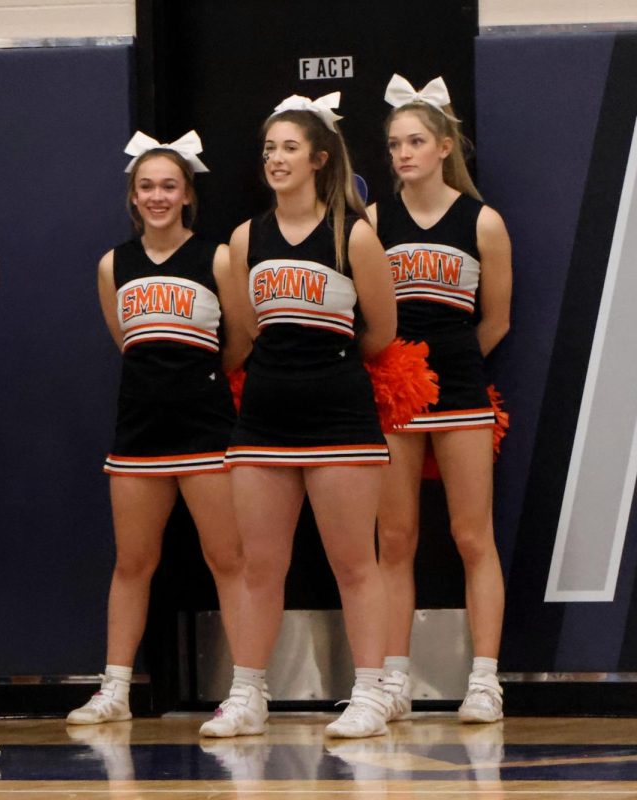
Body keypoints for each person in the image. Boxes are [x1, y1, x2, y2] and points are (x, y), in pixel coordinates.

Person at [220, 93, 397, 738]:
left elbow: (380, 332)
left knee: (355, 562)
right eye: (269, 148)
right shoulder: (246, 238)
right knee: (259, 564)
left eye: (290, 147)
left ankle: (372, 693)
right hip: (263, 417)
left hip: (340, 417)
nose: (276, 158)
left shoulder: (355, 236)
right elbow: (246, 330)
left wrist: (328, 368)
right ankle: (246, 694)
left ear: (321, 159)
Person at [65, 132, 245, 730]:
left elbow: (241, 340)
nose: (158, 196)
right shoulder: (112, 265)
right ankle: (115, 689)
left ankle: (247, 691)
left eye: (169, 185)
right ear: (132, 196)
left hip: (206, 427)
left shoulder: (218, 258)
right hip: (139, 429)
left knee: (229, 560)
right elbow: (127, 342)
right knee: (132, 562)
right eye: (147, 186)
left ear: (187, 193)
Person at [373, 74, 512, 724]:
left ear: (444, 145)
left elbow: (497, 322)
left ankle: (485, 679)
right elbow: (369, 318)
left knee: (471, 535)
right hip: (394, 400)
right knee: (394, 539)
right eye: (396, 142)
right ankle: (394, 680)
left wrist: (448, 368)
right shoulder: (374, 223)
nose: (404, 153)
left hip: (460, 392)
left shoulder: (482, 222)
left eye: (416, 141)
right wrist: (400, 373)